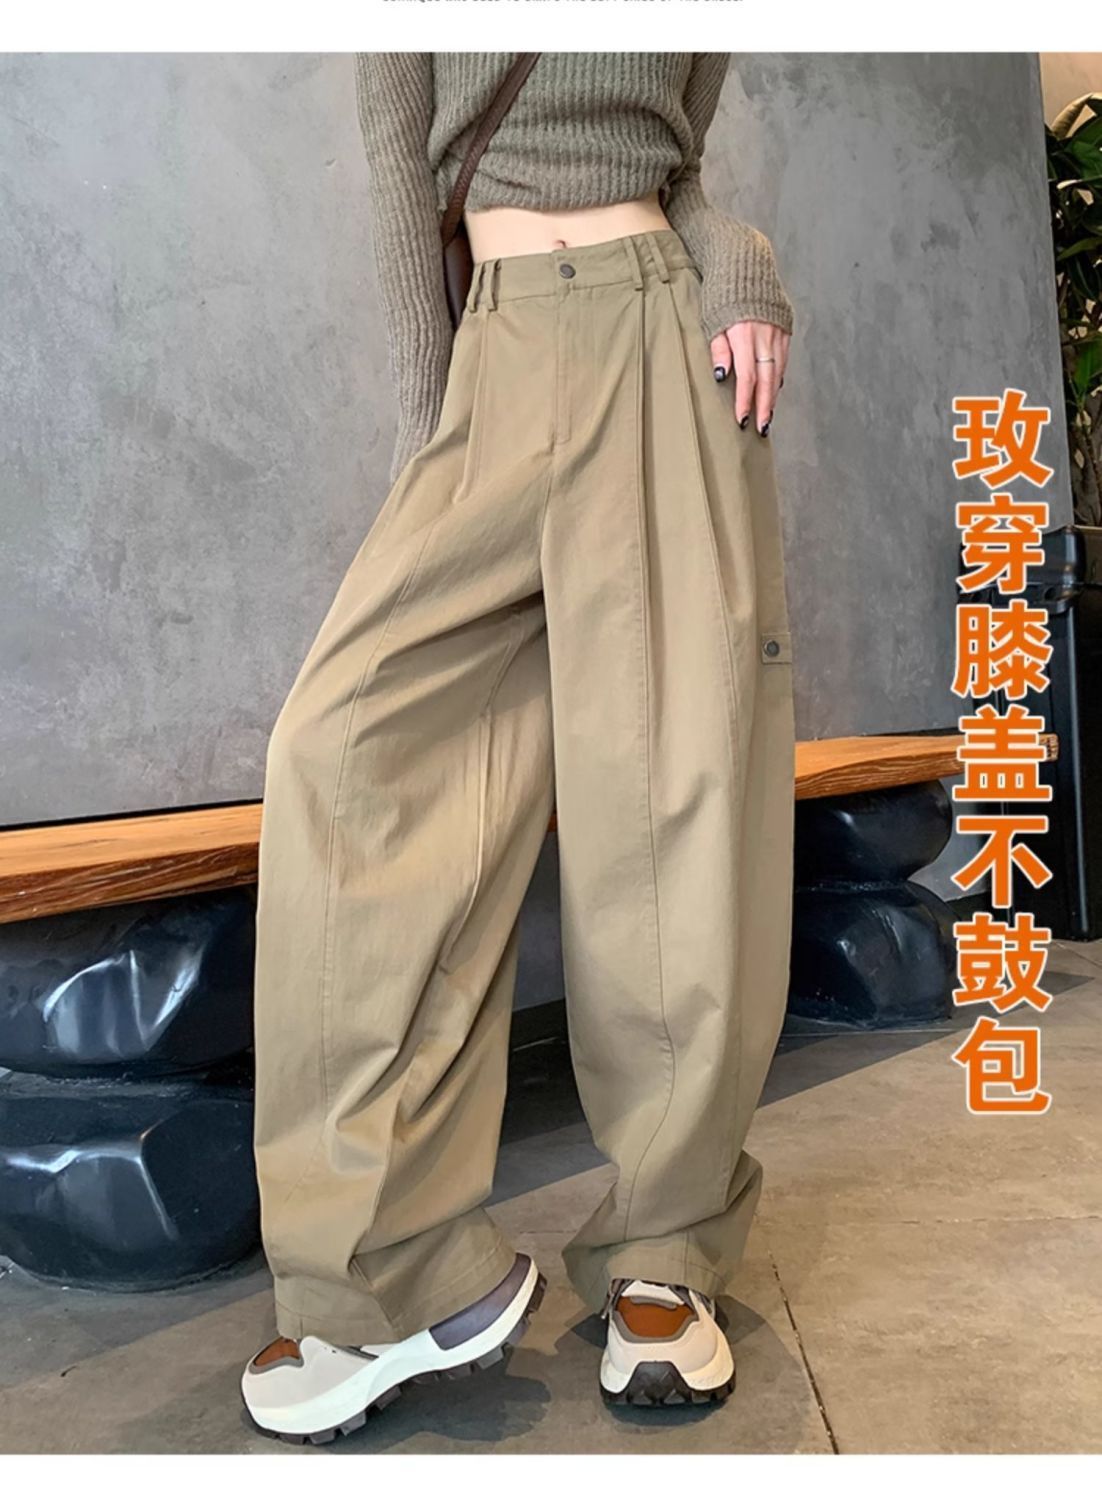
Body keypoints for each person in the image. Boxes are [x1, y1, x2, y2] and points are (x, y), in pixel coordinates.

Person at [241, 51, 796, 1443]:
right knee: (343, 753)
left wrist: (735, 258)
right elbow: (401, 170)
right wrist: (438, 426)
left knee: (677, 792)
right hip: (491, 354)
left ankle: (666, 1248)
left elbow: (678, 164)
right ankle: (392, 1272)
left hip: (666, 342)